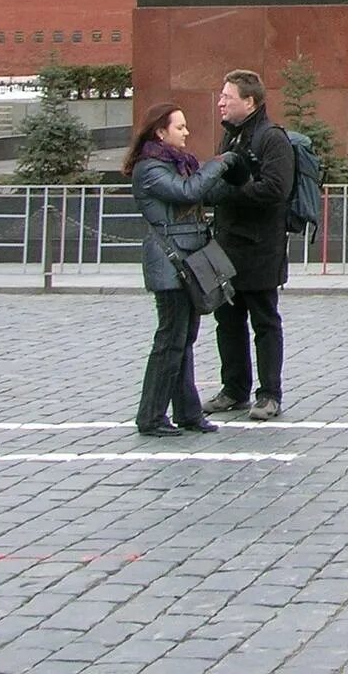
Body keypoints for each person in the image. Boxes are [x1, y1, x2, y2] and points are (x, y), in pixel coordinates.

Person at [125, 103, 244, 437]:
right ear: (160, 132)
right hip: (170, 262)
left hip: (186, 259)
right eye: (180, 127)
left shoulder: (176, 165)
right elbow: (187, 192)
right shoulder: (150, 169)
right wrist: (219, 164)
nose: (186, 132)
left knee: (183, 339)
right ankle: (150, 416)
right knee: (170, 340)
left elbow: (202, 193)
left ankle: (187, 412)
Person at [204, 69, 295, 423]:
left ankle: (269, 394)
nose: (221, 102)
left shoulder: (272, 139)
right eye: (221, 96)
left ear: (250, 102)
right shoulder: (231, 138)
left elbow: (276, 190)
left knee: (264, 321)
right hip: (227, 246)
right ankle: (234, 389)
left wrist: (231, 191)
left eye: (228, 97)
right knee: (227, 320)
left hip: (260, 249)